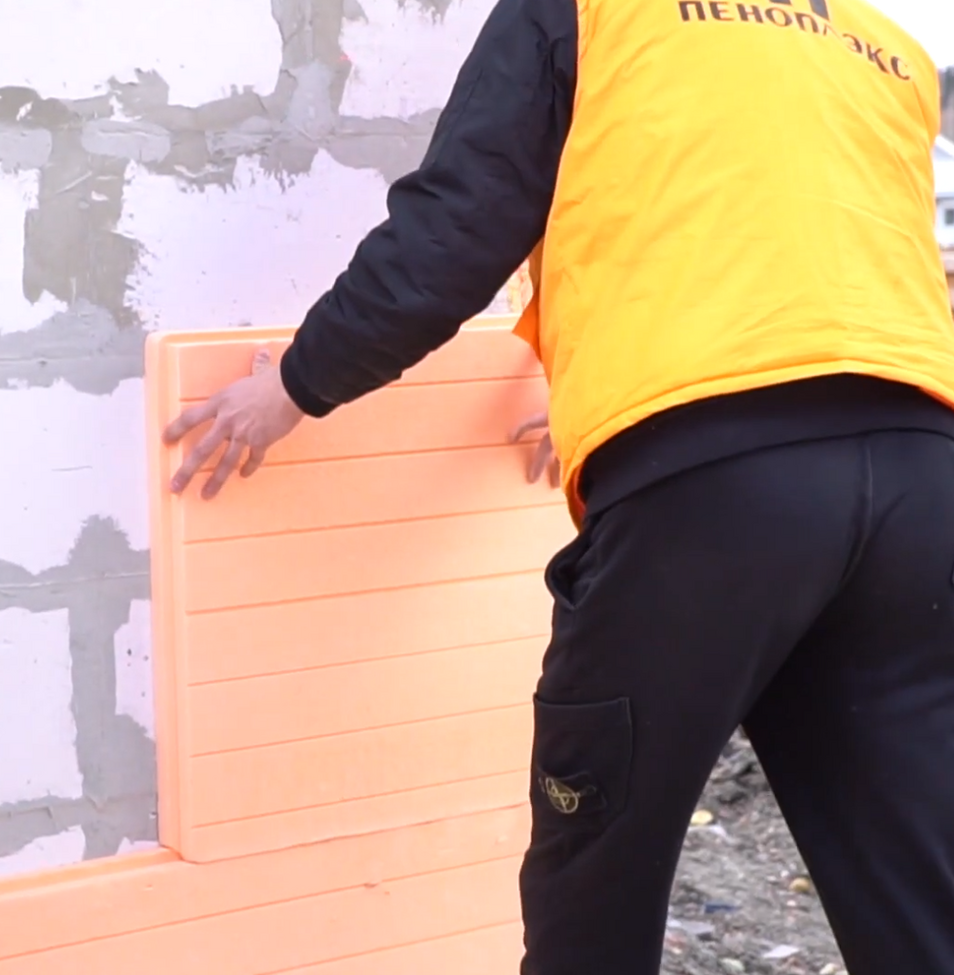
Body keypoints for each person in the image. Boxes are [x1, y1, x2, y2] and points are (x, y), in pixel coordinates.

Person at [161, 0, 954, 970]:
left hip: (714, 497)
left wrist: (295, 385)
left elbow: (456, 229)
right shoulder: (886, 47)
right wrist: (608, 385)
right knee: (916, 876)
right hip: (923, 477)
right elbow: (794, 250)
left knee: (596, 869)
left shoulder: (586, 9)